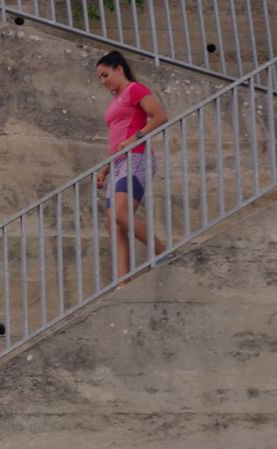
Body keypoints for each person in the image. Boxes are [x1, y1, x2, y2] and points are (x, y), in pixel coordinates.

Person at [95, 51, 168, 280]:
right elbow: (116, 140)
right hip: (117, 163)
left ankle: (163, 253)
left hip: (136, 157)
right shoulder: (116, 99)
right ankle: (123, 282)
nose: (103, 81)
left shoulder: (134, 89)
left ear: (119, 69)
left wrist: (134, 138)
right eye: (100, 78)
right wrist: (105, 169)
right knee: (113, 224)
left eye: (106, 74)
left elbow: (160, 117)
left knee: (120, 214)